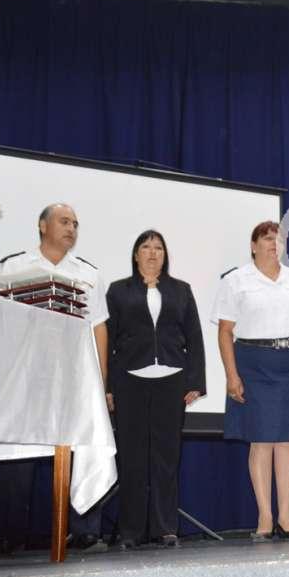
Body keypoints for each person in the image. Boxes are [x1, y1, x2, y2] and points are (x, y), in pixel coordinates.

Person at [0, 203, 110, 552]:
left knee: (80, 450)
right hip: (24, 377)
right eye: (64, 221)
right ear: (42, 225)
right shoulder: (13, 266)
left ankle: (84, 531)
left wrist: (100, 381)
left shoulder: (88, 274)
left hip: (72, 378)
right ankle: (11, 536)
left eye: (75, 224)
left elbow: (98, 328)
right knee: (18, 454)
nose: (71, 228)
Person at [211, 221, 289, 541]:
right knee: (260, 440)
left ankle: (286, 516)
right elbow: (225, 332)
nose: (275, 244)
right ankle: (264, 516)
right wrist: (232, 375)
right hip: (254, 364)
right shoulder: (235, 280)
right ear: (253, 246)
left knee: (287, 441)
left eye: (279, 239)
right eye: (268, 238)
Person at [105, 230, 204, 549]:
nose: (152, 252)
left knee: (166, 457)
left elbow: (195, 337)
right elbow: (108, 341)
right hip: (129, 380)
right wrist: (107, 386)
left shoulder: (181, 290)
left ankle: (165, 527)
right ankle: (131, 530)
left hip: (172, 380)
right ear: (136, 255)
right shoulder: (118, 291)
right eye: (146, 247)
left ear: (165, 255)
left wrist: (196, 381)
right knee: (132, 457)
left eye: (158, 248)